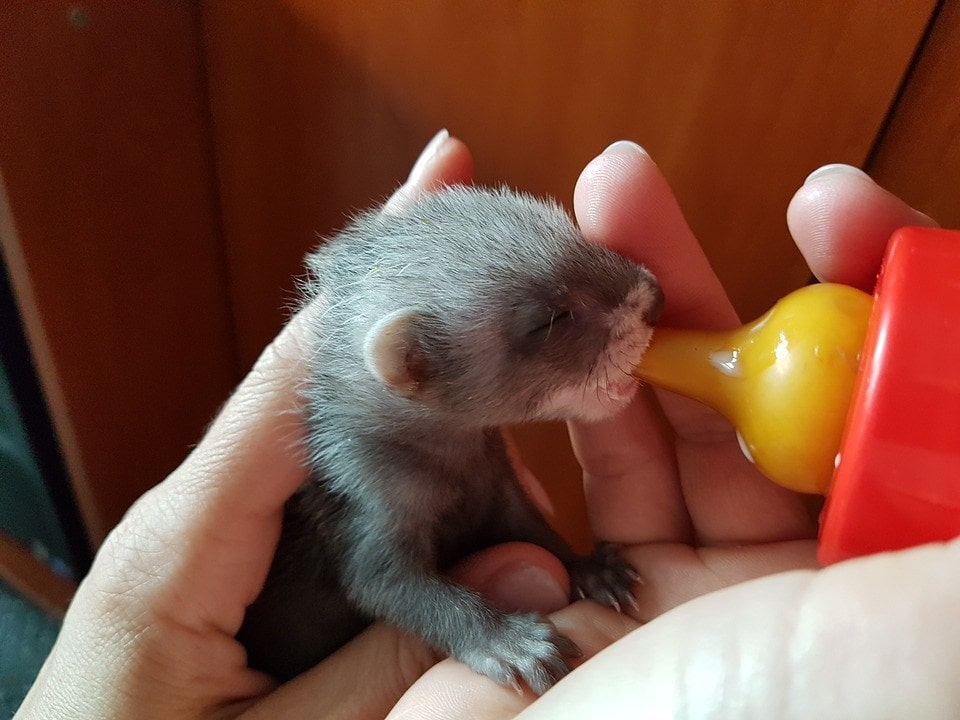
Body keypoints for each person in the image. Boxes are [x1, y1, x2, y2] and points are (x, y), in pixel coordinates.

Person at [15, 132, 959, 720]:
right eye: (549, 322)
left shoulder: (447, 421)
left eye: (580, 254)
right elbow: (388, 577)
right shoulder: (364, 473)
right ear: (415, 371)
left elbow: (503, 501)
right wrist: (477, 631)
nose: (641, 297)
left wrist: (568, 564)